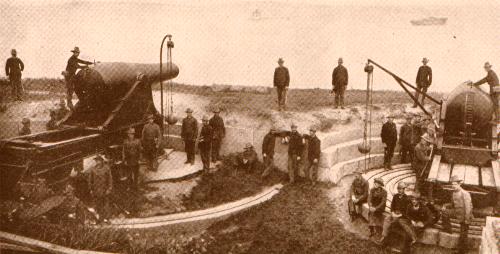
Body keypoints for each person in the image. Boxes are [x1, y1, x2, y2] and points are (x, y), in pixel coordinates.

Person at [441, 176, 473, 254]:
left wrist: (467, 220)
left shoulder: (465, 193)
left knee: (463, 235)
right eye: (452, 184)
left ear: (459, 184)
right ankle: (448, 229)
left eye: (455, 184)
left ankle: (462, 251)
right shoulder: (454, 193)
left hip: (465, 215)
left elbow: (468, 208)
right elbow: (452, 204)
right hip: (457, 213)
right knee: (444, 212)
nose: (453, 186)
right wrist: (445, 205)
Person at [88, 154, 113, 222]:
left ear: (102, 161)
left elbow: (110, 180)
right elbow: (90, 180)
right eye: (96, 160)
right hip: (96, 190)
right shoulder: (93, 169)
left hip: (104, 190)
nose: (98, 162)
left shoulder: (106, 168)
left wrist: (109, 189)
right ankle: (98, 219)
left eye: (99, 160)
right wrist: (90, 189)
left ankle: (107, 219)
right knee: (97, 205)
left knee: (105, 205)